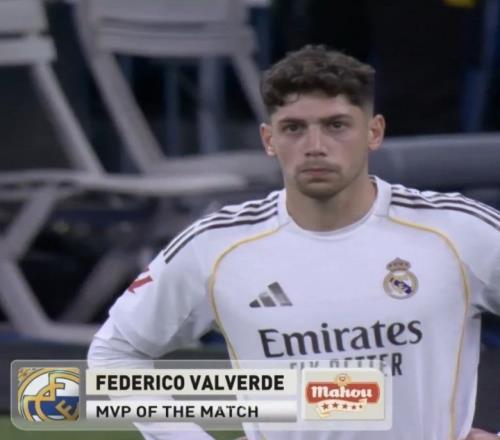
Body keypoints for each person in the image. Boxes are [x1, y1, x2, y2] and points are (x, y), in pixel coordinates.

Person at [88, 45, 500, 440]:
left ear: (374, 132)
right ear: (269, 139)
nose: (315, 147)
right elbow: (114, 354)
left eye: (336, 126)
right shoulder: (216, 246)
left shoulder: (456, 230)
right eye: (294, 128)